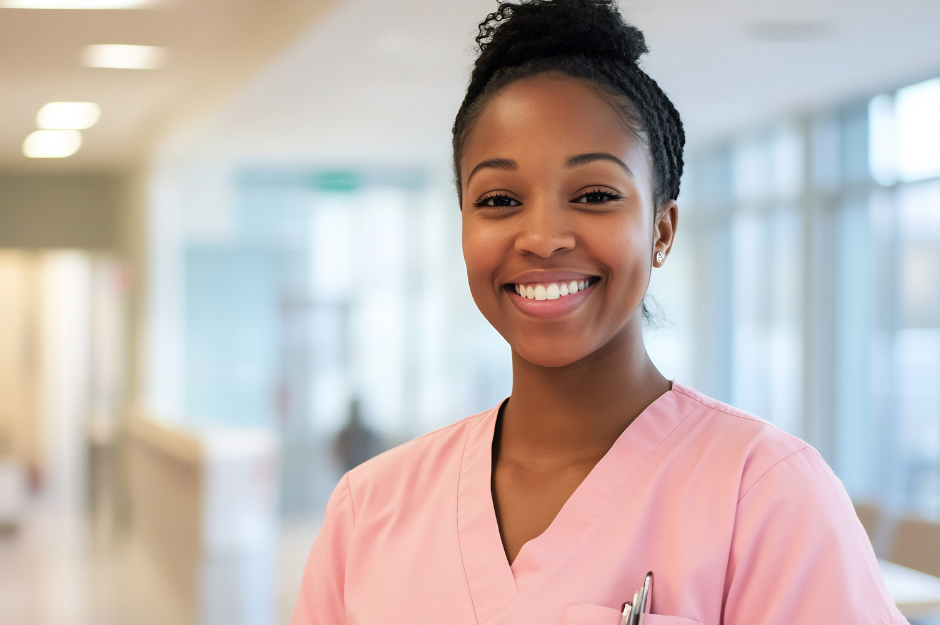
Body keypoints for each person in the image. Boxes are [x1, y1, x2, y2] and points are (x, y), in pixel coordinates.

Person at [290, 1, 904, 623]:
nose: (542, 236)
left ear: (661, 230)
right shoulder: (369, 509)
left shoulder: (764, 492)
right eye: (499, 199)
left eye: (594, 195)